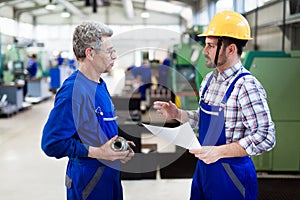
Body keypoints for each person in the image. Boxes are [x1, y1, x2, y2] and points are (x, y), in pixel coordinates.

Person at [153, 10, 275, 200]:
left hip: (232, 175)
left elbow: (266, 136)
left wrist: (219, 152)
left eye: (210, 45)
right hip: (205, 168)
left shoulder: (247, 86)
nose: (204, 51)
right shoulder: (210, 80)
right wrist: (178, 114)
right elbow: (205, 118)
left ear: (231, 49)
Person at [41, 21, 135, 200]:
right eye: (109, 51)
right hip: (88, 183)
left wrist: (117, 146)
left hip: (110, 176)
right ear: (90, 53)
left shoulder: (100, 85)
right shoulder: (73, 92)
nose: (114, 56)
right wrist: (97, 152)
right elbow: (51, 143)